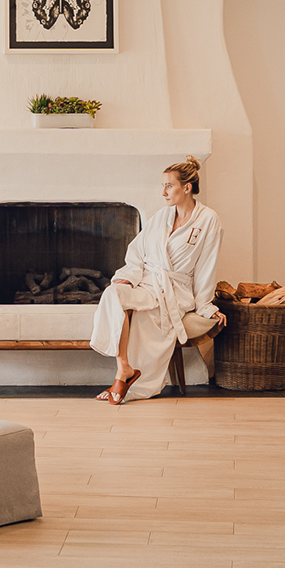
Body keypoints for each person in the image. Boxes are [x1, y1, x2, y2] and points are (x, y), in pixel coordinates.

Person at [90, 157, 225, 405]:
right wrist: (128, 278)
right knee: (113, 293)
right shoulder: (162, 216)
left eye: (169, 186)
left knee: (146, 317)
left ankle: (128, 382)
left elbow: (207, 266)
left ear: (187, 187)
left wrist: (206, 306)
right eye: (163, 186)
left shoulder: (208, 220)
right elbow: (137, 251)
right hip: (146, 282)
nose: (163, 192)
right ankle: (124, 368)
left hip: (175, 289)